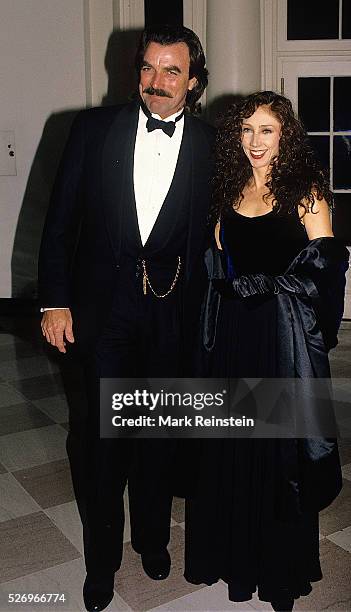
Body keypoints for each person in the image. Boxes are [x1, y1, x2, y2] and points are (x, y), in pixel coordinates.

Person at [38, 25, 214, 612]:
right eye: (148, 68)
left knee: (159, 436)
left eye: (172, 72)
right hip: (102, 314)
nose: (157, 83)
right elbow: (59, 225)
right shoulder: (91, 130)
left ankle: (154, 540)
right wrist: (54, 301)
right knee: (102, 441)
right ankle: (100, 562)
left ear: (193, 80)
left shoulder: (214, 144)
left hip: (173, 314)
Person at [184, 91, 349, 611]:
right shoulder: (228, 188)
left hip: (281, 339)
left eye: (267, 130)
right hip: (234, 337)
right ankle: (236, 561)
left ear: (286, 136)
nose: (255, 142)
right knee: (235, 448)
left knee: (280, 457)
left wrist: (271, 288)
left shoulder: (307, 192)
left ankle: (280, 573)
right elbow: (218, 262)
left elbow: (327, 271)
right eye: (246, 130)